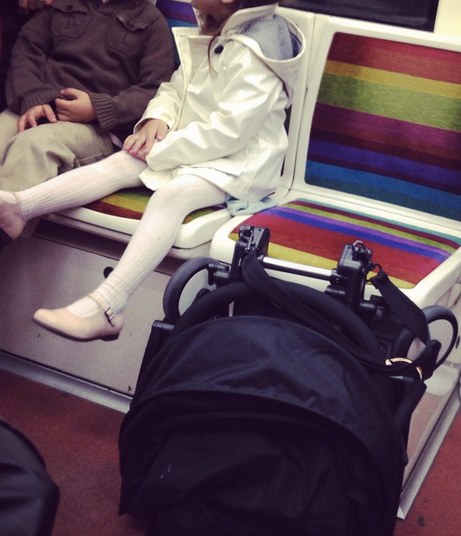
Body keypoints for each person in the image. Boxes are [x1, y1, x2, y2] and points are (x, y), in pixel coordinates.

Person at [0, 0, 305, 341]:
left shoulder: (259, 47)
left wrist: (160, 150)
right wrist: (156, 119)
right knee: (120, 162)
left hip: (240, 164)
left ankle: (108, 306)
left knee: (171, 196)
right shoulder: (218, 26)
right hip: (191, 147)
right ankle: (19, 207)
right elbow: (175, 88)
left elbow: (231, 132)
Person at [0, 0, 175, 191]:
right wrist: (35, 98)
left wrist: (98, 109)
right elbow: (26, 53)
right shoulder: (61, 4)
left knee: (34, 146)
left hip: (98, 128)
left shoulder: (152, 22)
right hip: (36, 106)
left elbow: (155, 89)